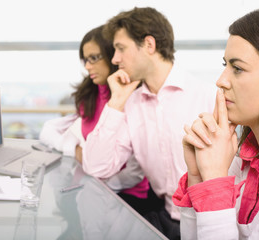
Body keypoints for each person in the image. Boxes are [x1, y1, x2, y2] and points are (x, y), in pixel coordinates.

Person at [173, 5, 259, 239]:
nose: (221, 81)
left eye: (237, 68)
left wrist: (216, 179)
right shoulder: (242, 157)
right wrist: (198, 176)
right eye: (225, 65)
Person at [82, 7, 216, 239]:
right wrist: (116, 102)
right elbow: (96, 167)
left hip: (210, 222)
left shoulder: (206, 96)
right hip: (166, 220)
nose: (115, 59)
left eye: (120, 48)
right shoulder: (131, 104)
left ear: (149, 45)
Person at [39, 25, 150, 214]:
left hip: (125, 194)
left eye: (94, 58)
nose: (88, 66)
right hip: (90, 187)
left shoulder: (133, 96)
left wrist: (96, 186)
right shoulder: (89, 95)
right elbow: (48, 130)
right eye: (85, 60)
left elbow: (136, 170)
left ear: (111, 56)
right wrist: (74, 149)